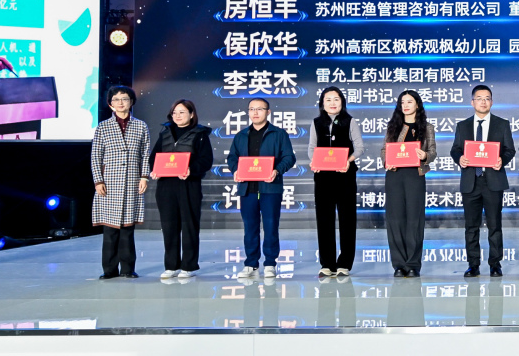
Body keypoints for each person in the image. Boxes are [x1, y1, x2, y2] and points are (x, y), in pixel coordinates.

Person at [225, 96, 296, 280]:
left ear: (268, 112)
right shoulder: (241, 135)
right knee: (250, 227)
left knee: (271, 225)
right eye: (252, 109)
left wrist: (276, 170)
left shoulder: (279, 134)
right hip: (247, 188)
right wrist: (235, 170)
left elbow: (289, 157)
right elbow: (232, 157)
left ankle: (270, 263)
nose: (255, 112)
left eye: (260, 109)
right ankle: (251, 264)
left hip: (270, 188)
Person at [451, 84, 515, 277]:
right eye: (479, 98)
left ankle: (495, 264)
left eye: (487, 98)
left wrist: (501, 160)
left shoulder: (501, 124)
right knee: (471, 226)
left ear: (492, 102)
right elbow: (455, 149)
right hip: (471, 181)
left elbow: (510, 149)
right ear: (472, 102)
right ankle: (473, 265)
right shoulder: (463, 125)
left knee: (495, 225)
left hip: (492, 180)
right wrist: (460, 158)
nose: (483, 102)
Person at [91, 86, 152, 279]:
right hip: (109, 183)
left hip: (132, 181)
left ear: (131, 102)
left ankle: (128, 269)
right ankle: (109, 270)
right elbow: (95, 156)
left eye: (124, 99)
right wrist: (98, 181)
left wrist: (144, 176)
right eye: (116, 99)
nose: (120, 103)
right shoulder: (103, 127)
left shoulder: (140, 126)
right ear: (110, 104)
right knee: (110, 230)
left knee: (127, 228)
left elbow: (145, 154)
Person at [152, 99, 213, 279]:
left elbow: (206, 160)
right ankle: (171, 266)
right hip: (166, 185)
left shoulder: (200, 134)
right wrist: (154, 170)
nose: (177, 116)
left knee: (189, 225)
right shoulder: (165, 133)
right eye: (174, 113)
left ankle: (188, 265)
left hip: (189, 184)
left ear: (191, 114)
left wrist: (191, 170)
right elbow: (154, 157)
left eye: (182, 112)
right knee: (169, 225)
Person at [311, 86, 364, 278]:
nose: (332, 103)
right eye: (328, 100)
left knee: (347, 219)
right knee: (324, 219)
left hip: (345, 176)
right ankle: (327, 264)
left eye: (336, 99)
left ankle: (344, 264)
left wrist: (348, 161)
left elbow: (359, 147)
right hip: (323, 177)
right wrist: (313, 162)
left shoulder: (350, 121)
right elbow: (312, 147)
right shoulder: (316, 123)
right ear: (322, 104)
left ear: (342, 102)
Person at [384, 90, 436, 278]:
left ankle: (413, 264)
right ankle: (399, 265)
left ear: (417, 104)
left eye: (409, 102)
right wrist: (387, 160)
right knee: (395, 219)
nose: (405, 105)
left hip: (415, 175)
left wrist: (425, 155)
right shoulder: (393, 126)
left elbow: (432, 151)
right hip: (395, 176)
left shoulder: (427, 127)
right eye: (402, 102)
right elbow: (384, 150)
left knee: (415, 219)